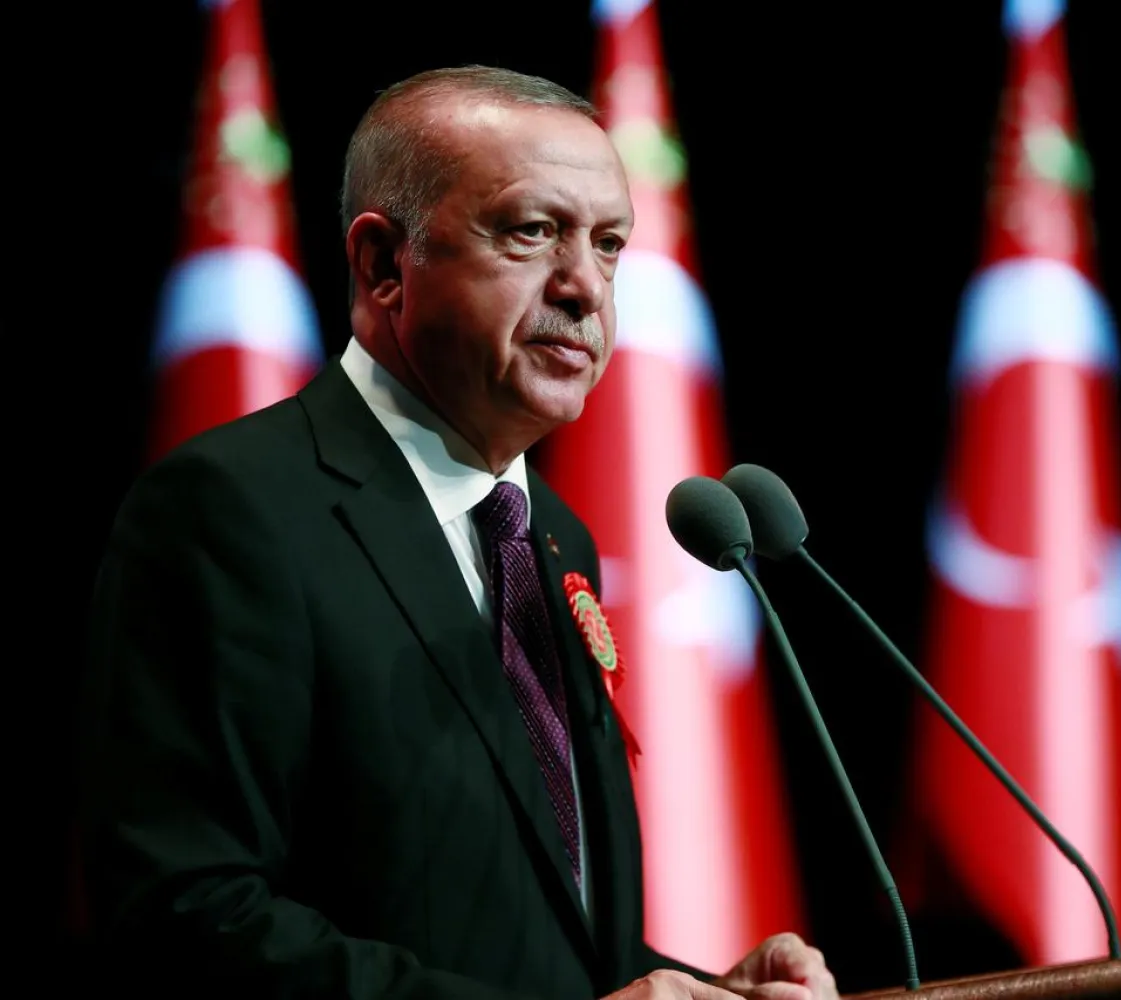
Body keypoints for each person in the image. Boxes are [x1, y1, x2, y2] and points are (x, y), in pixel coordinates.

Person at [76, 65, 839, 1000]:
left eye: (608, 246)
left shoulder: (551, 537)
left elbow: (517, 932)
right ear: (383, 265)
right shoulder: (230, 514)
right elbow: (186, 918)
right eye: (532, 231)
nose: (586, 290)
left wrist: (699, 988)